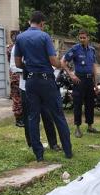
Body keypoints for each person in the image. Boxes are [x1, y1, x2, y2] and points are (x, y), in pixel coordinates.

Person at [14, 11, 72, 161]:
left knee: (33, 117)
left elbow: (18, 63)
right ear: (42, 23)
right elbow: (53, 61)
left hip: (31, 82)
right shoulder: (44, 36)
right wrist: (61, 64)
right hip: (46, 81)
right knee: (58, 115)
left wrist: (30, 65)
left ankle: (39, 155)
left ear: (30, 22)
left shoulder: (20, 38)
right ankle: (67, 151)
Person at [10, 45, 61, 150]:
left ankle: (53, 144)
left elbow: (53, 63)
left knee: (47, 115)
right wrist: (31, 70)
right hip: (26, 87)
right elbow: (13, 66)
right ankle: (32, 144)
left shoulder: (43, 43)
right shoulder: (19, 46)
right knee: (30, 117)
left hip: (44, 86)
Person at [61, 29, 100, 138]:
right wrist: (71, 74)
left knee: (90, 104)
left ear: (88, 38)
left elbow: (93, 66)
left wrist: (96, 83)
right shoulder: (75, 49)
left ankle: (90, 126)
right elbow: (63, 62)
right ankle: (77, 128)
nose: (82, 39)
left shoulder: (92, 50)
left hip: (89, 80)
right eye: (80, 37)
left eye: (84, 37)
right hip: (79, 80)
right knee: (78, 104)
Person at [6, 31, 23, 127]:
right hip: (15, 75)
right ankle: (19, 119)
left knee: (20, 97)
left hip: (16, 75)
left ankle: (21, 117)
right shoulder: (12, 48)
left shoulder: (10, 47)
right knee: (17, 98)